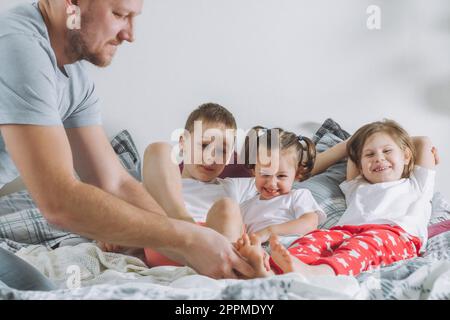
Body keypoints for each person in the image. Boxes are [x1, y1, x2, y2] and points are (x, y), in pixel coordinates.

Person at [0, 0, 254, 290]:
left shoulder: (76, 80)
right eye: (120, 15)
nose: (129, 34)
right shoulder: (17, 44)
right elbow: (58, 201)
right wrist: (187, 238)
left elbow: (115, 183)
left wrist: (215, 255)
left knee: (45, 294)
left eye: (134, 18)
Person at [236, 119, 437, 278]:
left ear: (407, 156)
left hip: (394, 235)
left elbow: (423, 142)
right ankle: (274, 270)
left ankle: (320, 273)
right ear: (360, 162)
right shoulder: (357, 185)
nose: (378, 158)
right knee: (312, 240)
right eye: (369, 154)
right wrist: (356, 143)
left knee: (359, 249)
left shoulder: (417, 184)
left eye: (387, 151)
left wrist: (386, 136)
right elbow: (348, 150)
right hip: (344, 232)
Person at [240, 127, 327, 243]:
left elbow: (310, 223)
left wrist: (269, 231)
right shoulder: (244, 208)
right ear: (253, 171)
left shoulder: (298, 196)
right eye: (265, 174)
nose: (271, 183)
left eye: (281, 176)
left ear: (297, 174)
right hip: (258, 251)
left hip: (292, 247)